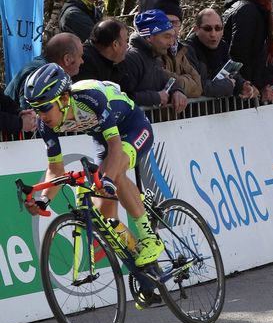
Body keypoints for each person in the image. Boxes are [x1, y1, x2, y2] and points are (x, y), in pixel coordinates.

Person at [22, 63, 165, 266]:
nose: (41, 115)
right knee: (106, 218)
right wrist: (43, 201)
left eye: (45, 108)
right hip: (102, 137)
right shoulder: (45, 124)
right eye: (36, 109)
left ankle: (150, 238)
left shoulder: (89, 98)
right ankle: (146, 268)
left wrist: (107, 179)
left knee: (113, 175)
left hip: (133, 127)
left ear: (63, 99)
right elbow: (56, 170)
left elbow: (115, 146)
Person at [222, 0, 273, 104]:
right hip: (243, 90)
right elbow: (239, 52)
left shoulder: (251, 8)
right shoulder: (246, 10)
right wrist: (248, 84)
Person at [121, 9, 188, 113]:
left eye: (172, 36)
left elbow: (164, 79)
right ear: (149, 37)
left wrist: (176, 91)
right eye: (166, 36)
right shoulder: (131, 58)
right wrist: (156, 97)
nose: (171, 42)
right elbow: (122, 97)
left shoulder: (154, 57)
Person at [185, 8, 258, 99]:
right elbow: (198, 86)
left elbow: (229, 72)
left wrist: (242, 85)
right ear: (196, 30)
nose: (213, 34)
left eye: (218, 28)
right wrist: (227, 85)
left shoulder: (223, 46)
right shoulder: (187, 51)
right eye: (207, 29)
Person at [5, 32, 84, 109]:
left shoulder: (49, 72)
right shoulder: (37, 75)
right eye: (80, 56)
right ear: (67, 59)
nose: (82, 61)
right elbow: (31, 117)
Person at [153, 0, 203, 98]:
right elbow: (159, 80)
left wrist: (177, 85)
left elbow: (198, 87)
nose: (171, 27)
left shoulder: (181, 50)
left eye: (175, 23)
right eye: (166, 22)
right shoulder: (152, 49)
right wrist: (184, 81)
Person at [72, 18, 128, 83]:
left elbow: (126, 89)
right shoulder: (83, 63)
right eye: (126, 41)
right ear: (115, 45)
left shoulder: (117, 60)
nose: (128, 45)